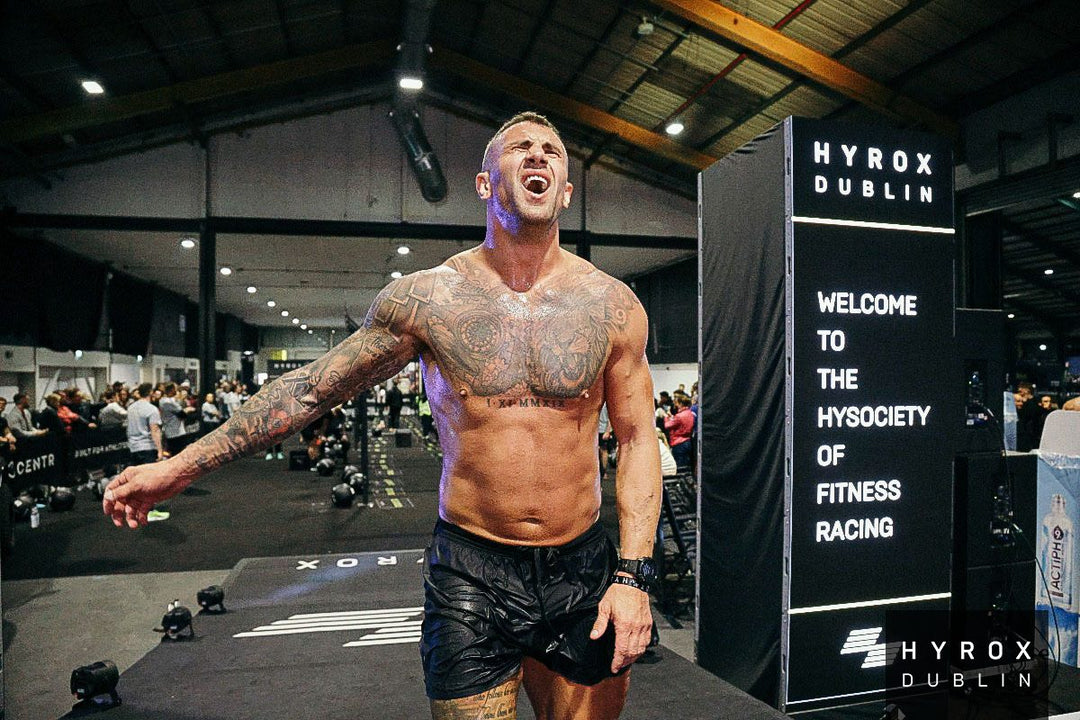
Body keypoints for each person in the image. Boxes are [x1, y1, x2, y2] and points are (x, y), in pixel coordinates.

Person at [103, 111, 661, 720]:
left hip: (581, 564)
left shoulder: (612, 305)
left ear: (566, 190)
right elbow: (310, 391)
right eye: (520, 147)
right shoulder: (427, 299)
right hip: (473, 569)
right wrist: (179, 467)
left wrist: (633, 575)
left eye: (551, 150)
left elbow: (638, 441)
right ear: (484, 183)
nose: (537, 155)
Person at [126, 383, 164, 466]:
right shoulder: (152, 409)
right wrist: (160, 450)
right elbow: (155, 431)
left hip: (133, 448)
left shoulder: (130, 408)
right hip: (148, 448)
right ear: (150, 392)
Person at [663, 395, 694, 470]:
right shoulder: (690, 413)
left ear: (681, 404)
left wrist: (666, 417)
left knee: (680, 466)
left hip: (678, 443)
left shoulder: (679, 416)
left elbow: (667, 425)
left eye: (676, 403)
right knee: (687, 465)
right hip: (687, 441)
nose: (675, 405)